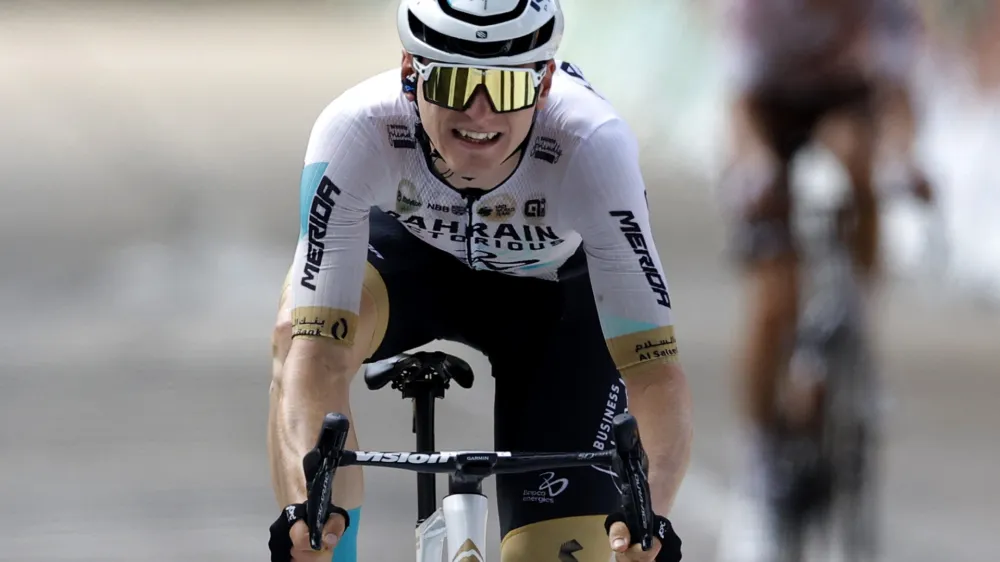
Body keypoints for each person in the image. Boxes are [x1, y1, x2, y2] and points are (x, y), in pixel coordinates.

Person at [266, 0, 693, 561]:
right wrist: (307, 505)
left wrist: (650, 513)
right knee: (296, 330)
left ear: (543, 85)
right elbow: (316, 355)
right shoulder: (355, 130)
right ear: (408, 72)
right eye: (453, 82)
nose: (480, 114)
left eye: (508, 90)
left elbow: (654, 372)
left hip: (552, 304)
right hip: (408, 265)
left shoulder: (593, 146)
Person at [717, 0, 931, 532]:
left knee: (856, 158)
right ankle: (763, 442)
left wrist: (904, 161)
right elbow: (740, 106)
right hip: (770, 117)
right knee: (773, 301)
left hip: (847, 107)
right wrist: (756, 171)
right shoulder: (758, 11)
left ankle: (857, 313)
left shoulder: (888, 8)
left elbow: (898, 96)